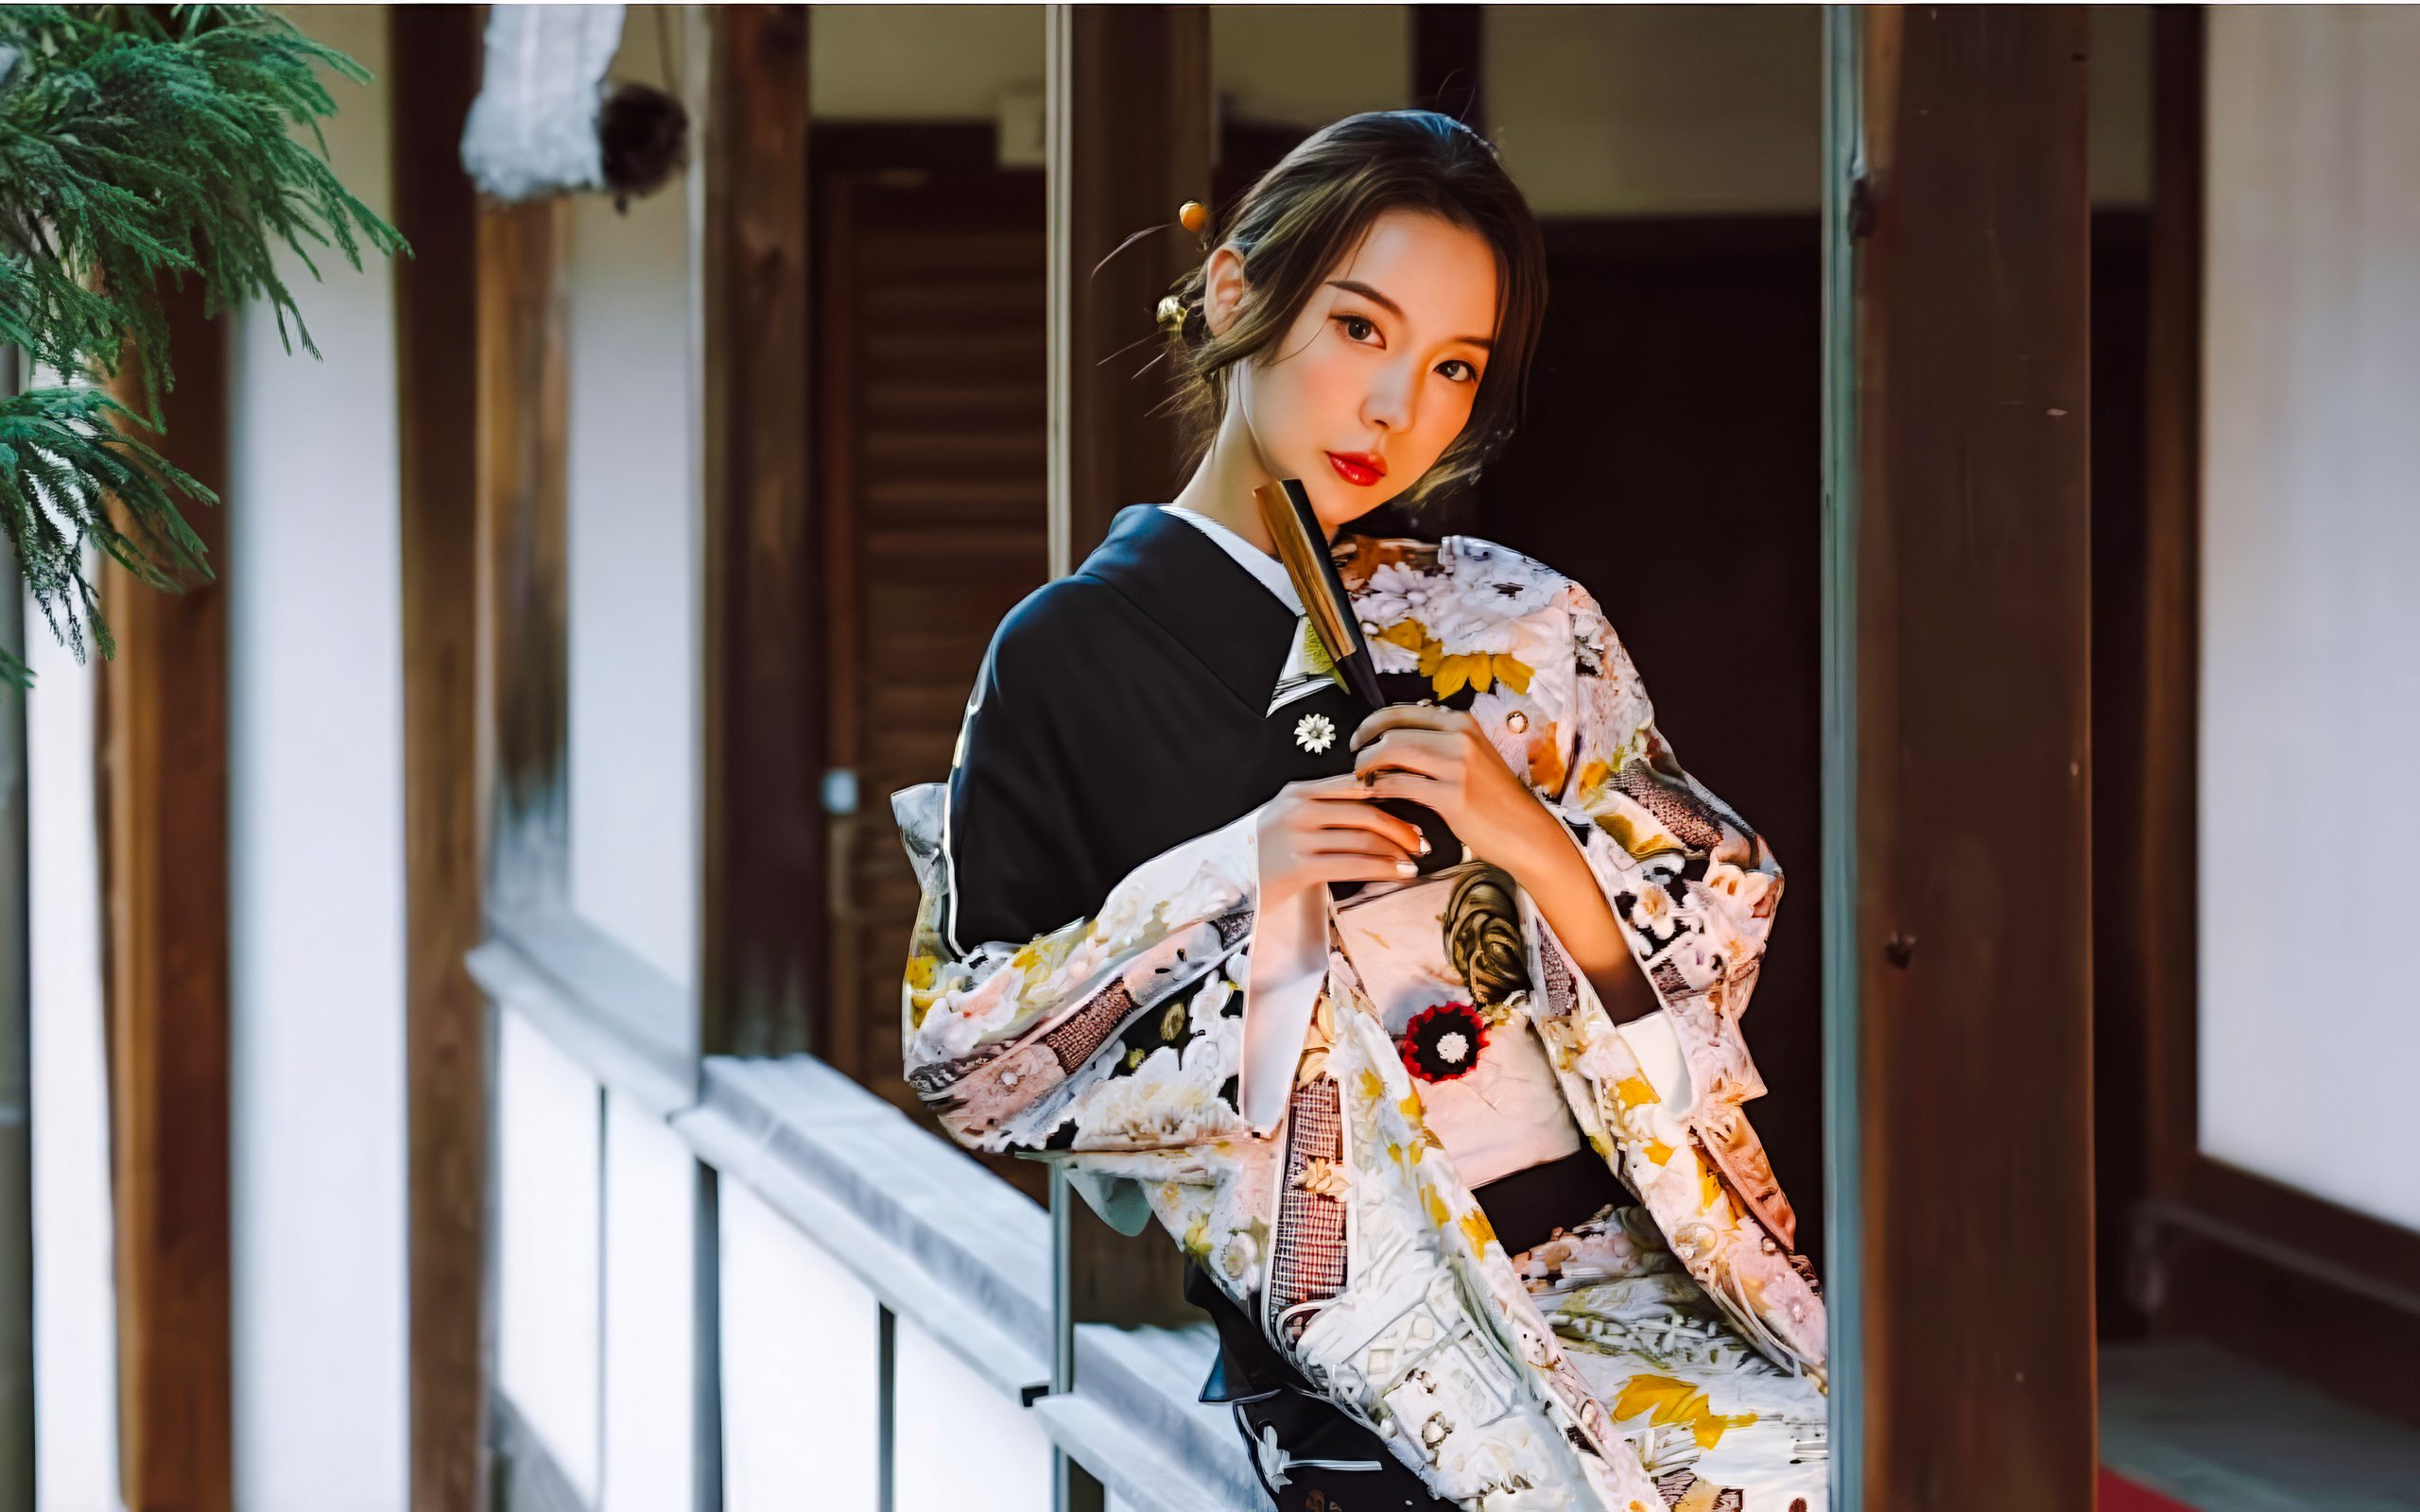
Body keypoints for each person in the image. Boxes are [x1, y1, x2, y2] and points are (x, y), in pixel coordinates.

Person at [895, 111, 1826, 1511]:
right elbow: (969, 1053)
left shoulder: (1522, 620)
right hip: (1363, 1318)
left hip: (1645, 1263)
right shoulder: (1068, 656)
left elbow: (1714, 941)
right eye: (1361, 330)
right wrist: (1240, 873)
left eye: (1454, 368)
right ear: (1236, 294)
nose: (1399, 410)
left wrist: (1534, 844)